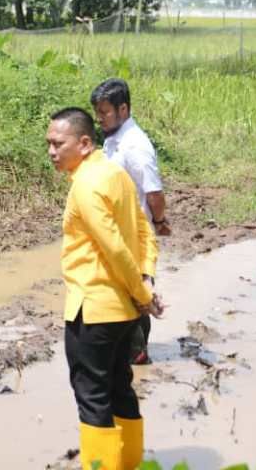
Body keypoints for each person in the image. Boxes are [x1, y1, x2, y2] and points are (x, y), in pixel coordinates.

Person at [47, 107, 160, 470]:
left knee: (93, 400)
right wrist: (146, 282)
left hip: (93, 311)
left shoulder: (85, 185)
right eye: (48, 143)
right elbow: (144, 233)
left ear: (83, 143)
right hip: (125, 312)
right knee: (120, 389)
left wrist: (145, 295)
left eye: (57, 144)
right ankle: (130, 465)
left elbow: (114, 247)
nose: (51, 151)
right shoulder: (115, 173)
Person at [90, 78, 167, 366]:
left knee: (137, 295)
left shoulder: (136, 146)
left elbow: (154, 192)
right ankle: (125, 352)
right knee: (121, 295)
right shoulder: (114, 138)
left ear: (123, 109)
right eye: (98, 112)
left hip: (134, 235)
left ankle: (137, 355)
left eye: (105, 112)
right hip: (116, 231)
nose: (100, 118)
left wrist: (159, 221)